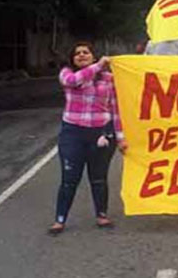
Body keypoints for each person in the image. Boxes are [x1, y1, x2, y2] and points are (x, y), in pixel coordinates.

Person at [48, 42, 127, 235]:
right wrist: (99, 65)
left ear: (93, 55)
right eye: (77, 53)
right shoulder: (67, 74)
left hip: (101, 134)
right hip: (73, 134)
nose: (82, 55)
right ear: (72, 59)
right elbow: (74, 81)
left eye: (86, 52)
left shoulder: (109, 79)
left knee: (99, 178)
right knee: (69, 179)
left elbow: (116, 109)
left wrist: (121, 137)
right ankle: (60, 219)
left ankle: (101, 215)